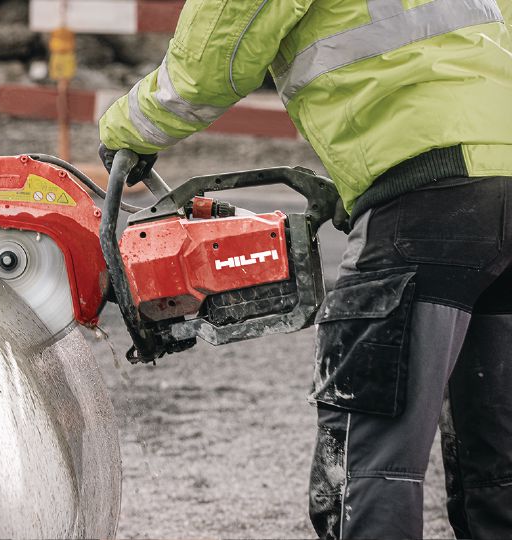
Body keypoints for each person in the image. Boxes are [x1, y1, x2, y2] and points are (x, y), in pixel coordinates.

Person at [96, 0, 512, 537]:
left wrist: (126, 128)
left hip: (423, 196)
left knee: (366, 467)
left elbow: (211, 58)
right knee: (498, 468)